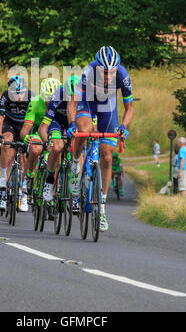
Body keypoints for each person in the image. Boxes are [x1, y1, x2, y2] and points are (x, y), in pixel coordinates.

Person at [67, 45, 134, 232]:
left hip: (108, 111)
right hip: (87, 105)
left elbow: (129, 108)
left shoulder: (123, 75)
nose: (109, 76)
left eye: (112, 72)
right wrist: (72, 124)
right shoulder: (88, 72)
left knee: (106, 156)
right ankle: (75, 162)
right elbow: (72, 102)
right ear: (97, 67)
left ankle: (102, 207)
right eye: (105, 72)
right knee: (84, 129)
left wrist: (123, 127)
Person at [20, 77, 61, 212]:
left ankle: (55, 191)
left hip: (55, 129)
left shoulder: (61, 101)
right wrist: (27, 138)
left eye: (52, 100)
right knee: (35, 149)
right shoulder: (36, 102)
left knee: (57, 153)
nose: (50, 103)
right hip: (38, 130)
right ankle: (29, 177)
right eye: (47, 100)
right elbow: (25, 129)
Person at [39, 76, 81, 204]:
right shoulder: (57, 96)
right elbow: (43, 127)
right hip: (56, 121)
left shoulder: (85, 96)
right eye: (69, 99)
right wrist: (47, 142)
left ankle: (76, 183)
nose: (72, 103)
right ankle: (50, 180)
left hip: (74, 122)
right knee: (57, 147)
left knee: (78, 150)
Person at [0, 76, 33, 211]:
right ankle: (3, 181)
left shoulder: (31, 97)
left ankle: (24, 196)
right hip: (10, 124)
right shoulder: (5, 96)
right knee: (7, 143)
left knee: (27, 158)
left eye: (22, 92)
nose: (19, 96)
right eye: (16, 93)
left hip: (25, 126)